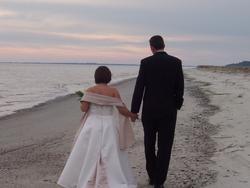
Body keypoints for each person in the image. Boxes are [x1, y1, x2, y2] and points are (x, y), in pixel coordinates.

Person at [57, 66, 137, 188]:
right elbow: (121, 109)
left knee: (88, 151)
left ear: (96, 77)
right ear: (108, 77)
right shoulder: (113, 91)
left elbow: (83, 109)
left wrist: (83, 101)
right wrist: (132, 115)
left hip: (92, 124)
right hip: (109, 124)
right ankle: (113, 177)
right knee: (111, 152)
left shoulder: (90, 90)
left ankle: (84, 176)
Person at [131, 35, 184, 188]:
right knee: (165, 146)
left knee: (149, 143)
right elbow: (180, 87)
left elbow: (139, 88)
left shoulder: (146, 62)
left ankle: (152, 176)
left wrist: (134, 110)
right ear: (163, 45)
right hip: (168, 111)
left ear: (152, 47)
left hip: (149, 111)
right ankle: (159, 181)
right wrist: (177, 105)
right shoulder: (176, 62)